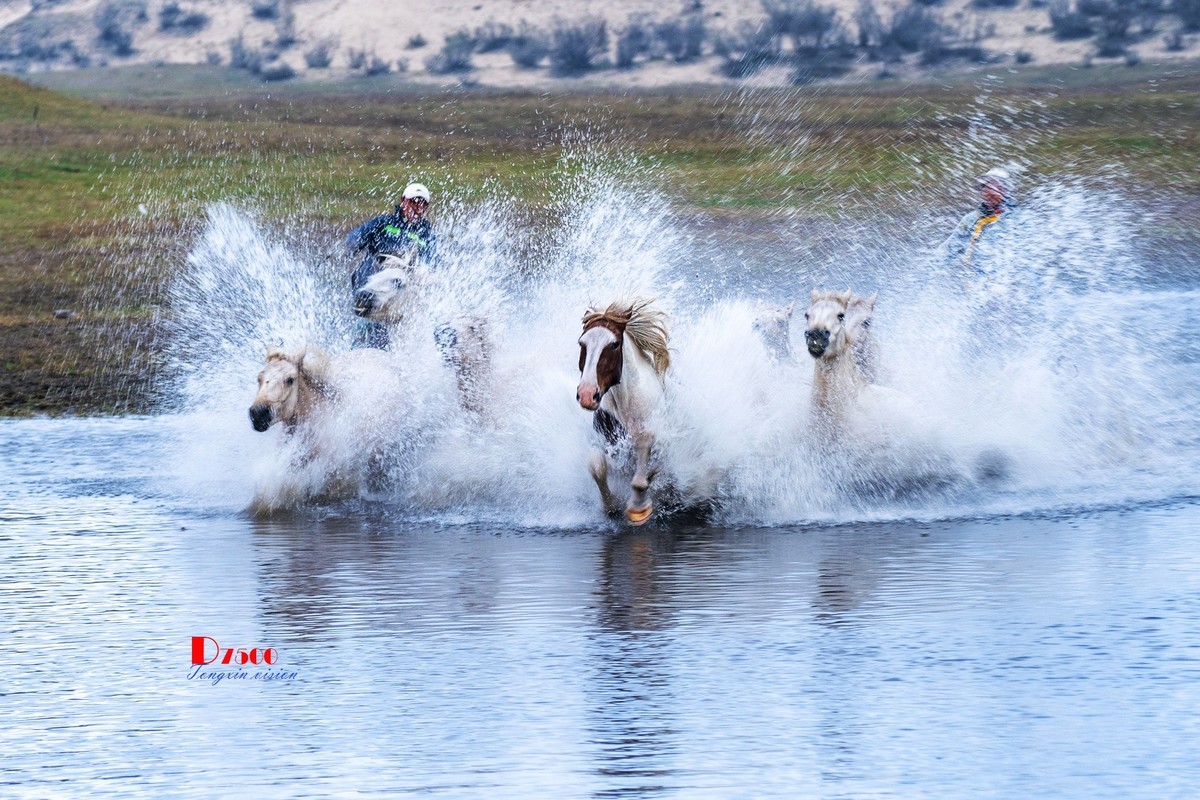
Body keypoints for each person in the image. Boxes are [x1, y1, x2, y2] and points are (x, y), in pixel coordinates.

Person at [347, 182, 438, 348]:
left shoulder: (426, 235)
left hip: (403, 292)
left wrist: (420, 269)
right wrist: (355, 242)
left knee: (405, 277)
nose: (417, 208)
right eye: (413, 202)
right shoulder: (383, 223)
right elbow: (356, 237)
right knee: (364, 341)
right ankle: (368, 302)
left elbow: (431, 262)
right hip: (376, 276)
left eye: (422, 204)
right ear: (403, 201)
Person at [941, 167, 1017, 272]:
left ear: (1005, 191)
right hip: (969, 279)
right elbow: (949, 248)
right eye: (985, 188)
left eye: (993, 189)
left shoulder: (1017, 220)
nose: (987, 193)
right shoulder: (971, 219)